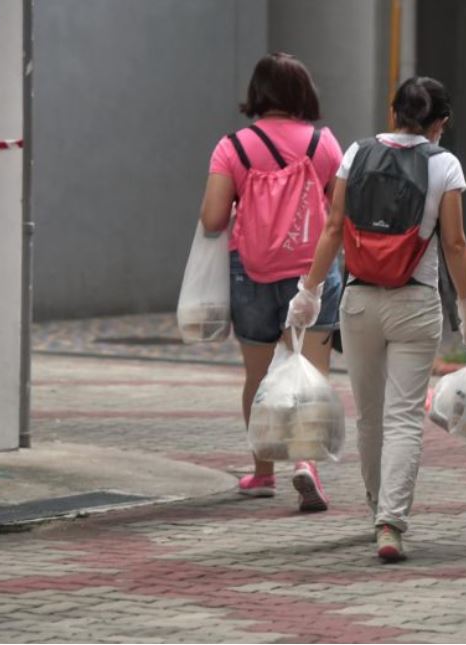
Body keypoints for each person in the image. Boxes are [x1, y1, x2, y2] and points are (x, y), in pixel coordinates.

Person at [286, 77, 466, 562]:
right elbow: (455, 244)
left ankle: (379, 506)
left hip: (357, 303)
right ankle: (390, 522)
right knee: (402, 418)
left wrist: (308, 292)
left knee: (371, 417)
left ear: (393, 111)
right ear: (440, 121)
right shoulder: (445, 164)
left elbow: (334, 228)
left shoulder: (356, 153)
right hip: (415, 303)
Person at [199, 52, 344, 512]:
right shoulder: (323, 143)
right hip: (313, 273)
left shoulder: (233, 146)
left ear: (257, 94)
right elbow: (341, 215)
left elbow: (212, 217)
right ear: (304, 91)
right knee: (311, 373)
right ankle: (307, 464)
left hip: (253, 272)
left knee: (258, 376)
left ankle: (263, 472)